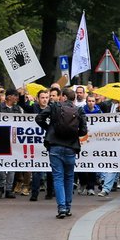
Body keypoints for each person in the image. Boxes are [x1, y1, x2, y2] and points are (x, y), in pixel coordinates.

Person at [35, 87, 87, 218]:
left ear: (62, 96)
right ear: (74, 98)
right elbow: (84, 131)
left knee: (58, 178)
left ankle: (62, 208)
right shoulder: (79, 110)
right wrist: (74, 133)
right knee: (69, 178)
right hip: (71, 147)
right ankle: (68, 207)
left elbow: (39, 118)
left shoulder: (54, 106)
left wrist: (49, 129)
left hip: (55, 146)